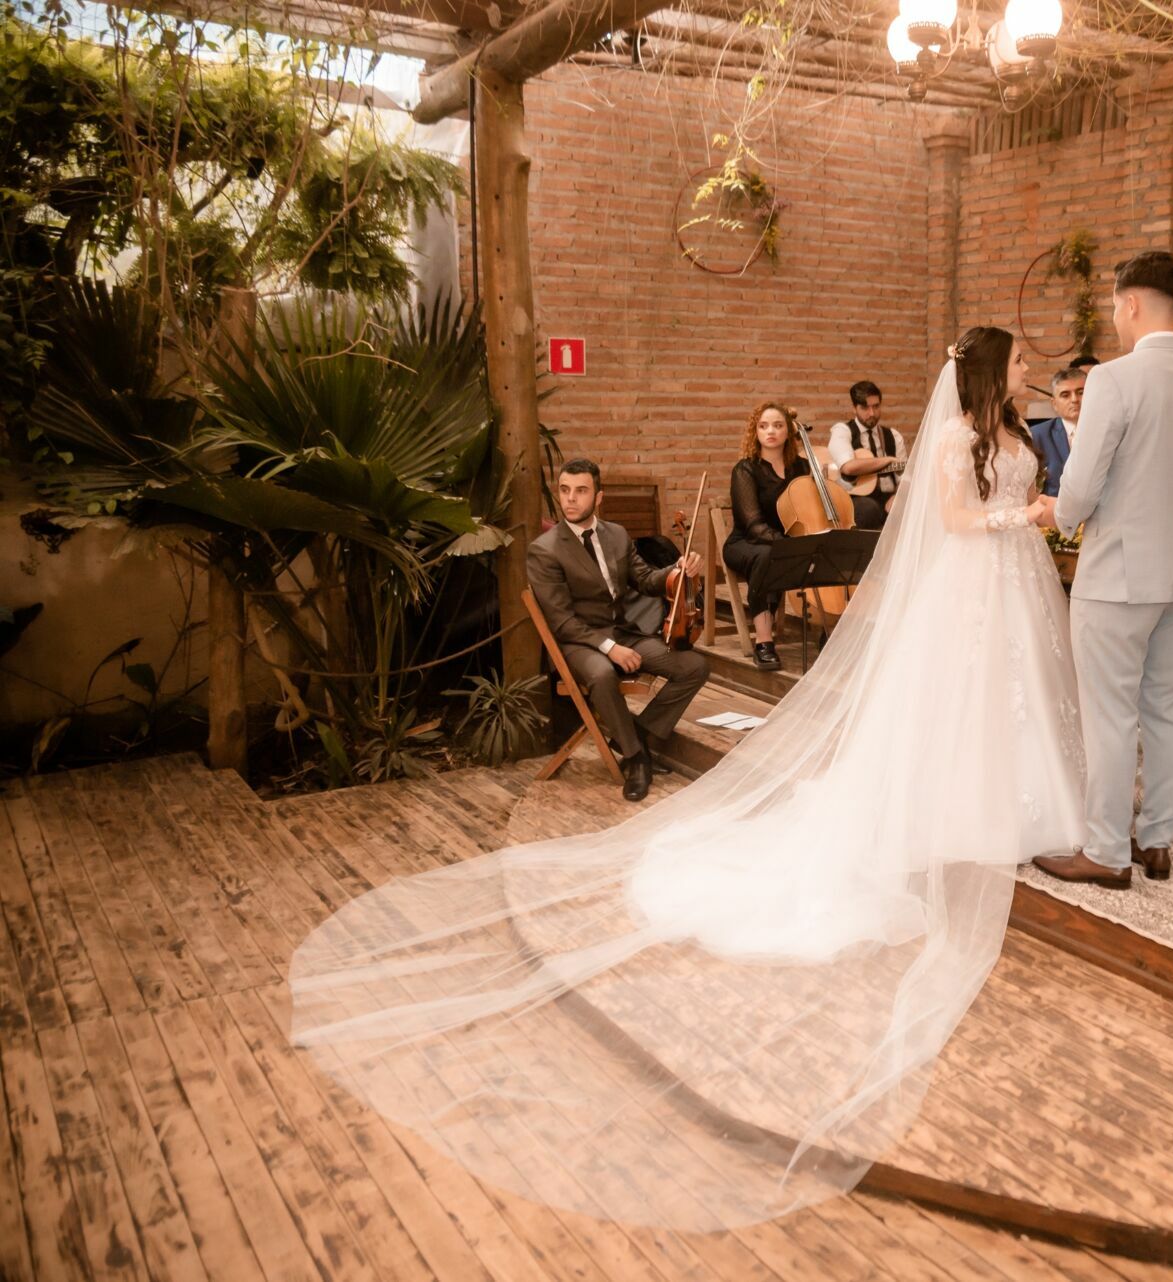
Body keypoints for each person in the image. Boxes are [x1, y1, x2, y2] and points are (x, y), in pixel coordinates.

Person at [289, 326, 1084, 1233]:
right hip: (976, 578)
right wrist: (1028, 516)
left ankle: (1018, 807)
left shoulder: (1017, 435)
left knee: (1012, 702)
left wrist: (1042, 504)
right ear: (989, 371)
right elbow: (948, 520)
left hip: (1014, 584)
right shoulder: (951, 442)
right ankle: (648, 758)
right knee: (953, 706)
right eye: (1019, 360)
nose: (1031, 368)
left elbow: (646, 568)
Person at [1033, 251, 1173, 887]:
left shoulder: (1115, 381)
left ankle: (1103, 851)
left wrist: (1055, 512)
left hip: (1119, 575)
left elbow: (1082, 487)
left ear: (1129, 304)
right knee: (1165, 707)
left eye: (1114, 309)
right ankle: (1156, 843)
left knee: (1109, 714)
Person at [526, 459, 710, 802]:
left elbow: (645, 581)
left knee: (694, 667)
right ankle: (636, 757)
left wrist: (677, 569)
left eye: (581, 491)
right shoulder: (544, 550)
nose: (570, 499)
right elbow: (563, 621)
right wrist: (610, 648)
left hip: (624, 631)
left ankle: (637, 733)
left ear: (598, 497)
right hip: (580, 642)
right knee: (601, 676)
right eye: (565, 490)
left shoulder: (616, 534)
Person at [724, 402, 803, 672]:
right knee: (769, 554)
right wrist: (791, 545)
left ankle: (827, 627)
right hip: (747, 543)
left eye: (778, 425)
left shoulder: (801, 468)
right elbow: (754, 525)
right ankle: (764, 642)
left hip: (786, 542)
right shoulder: (745, 470)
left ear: (788, 432)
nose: (771, 431)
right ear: (754, 432)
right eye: (764, 426)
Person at [827, 380, 907, 528]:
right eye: (865, 407)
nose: (872, 413)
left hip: (888, 498)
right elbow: (848, 467)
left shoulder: (893, 436)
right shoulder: (842, 431)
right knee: (869, 509)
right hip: (855, 498)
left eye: (876, 406)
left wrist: (898, 496)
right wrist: (887, 460)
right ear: (854, 408)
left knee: (911, 505)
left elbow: (906, 477)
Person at [1031, 366, 1085, 498]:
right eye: (1065, 395)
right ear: (1054, 404)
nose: (1074, 399)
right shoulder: (1037, 436)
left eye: (1081, 392)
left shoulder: (1109, 431)